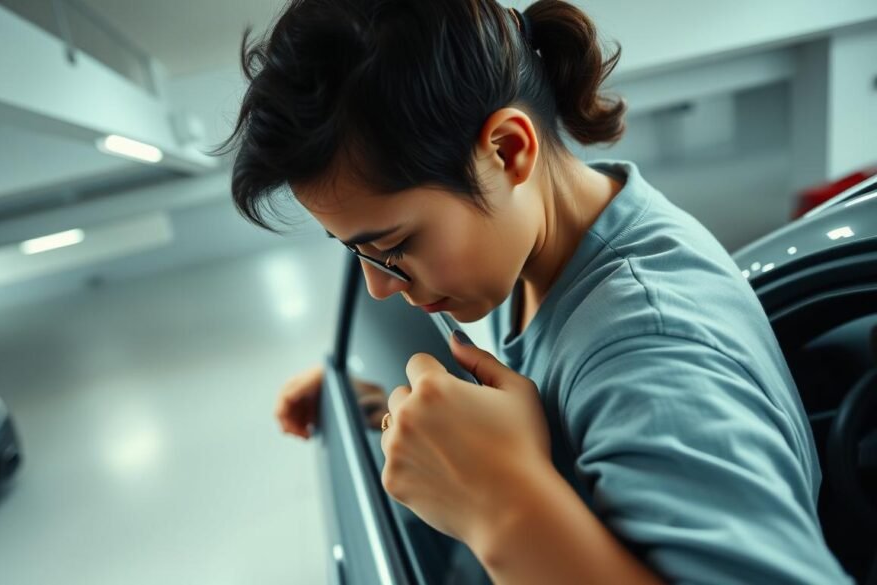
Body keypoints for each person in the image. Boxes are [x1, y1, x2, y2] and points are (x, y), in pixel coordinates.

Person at [211, 0, 853, 582]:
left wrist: (500, 511)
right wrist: (377, 413)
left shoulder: (648, 351)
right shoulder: (537, 254)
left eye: (396, 245)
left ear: (507, 150)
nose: (379, 286)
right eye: (359, 253)